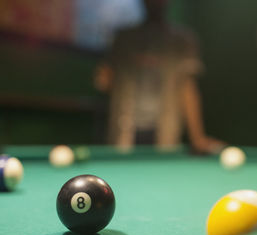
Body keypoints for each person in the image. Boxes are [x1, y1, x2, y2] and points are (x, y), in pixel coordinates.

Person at [94, 0, 225, 154]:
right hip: (124, 130)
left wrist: (197, 137)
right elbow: (103, 82)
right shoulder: (123, 39)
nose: (155, 2)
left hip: (166, 131)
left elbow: (187, 89)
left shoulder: (183, 40)